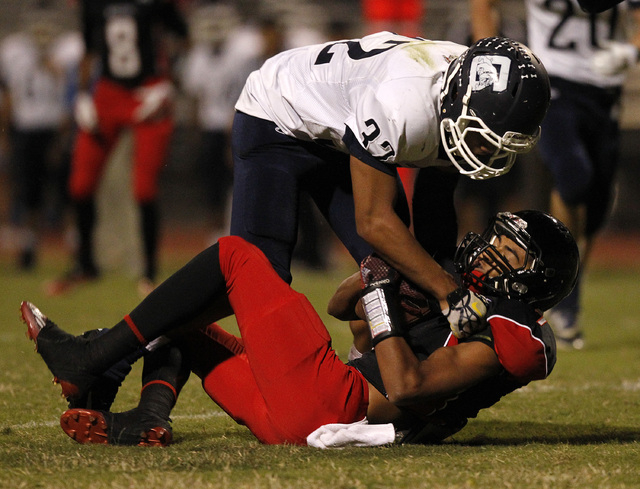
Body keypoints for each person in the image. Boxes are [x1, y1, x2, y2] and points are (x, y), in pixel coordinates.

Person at [21, 210, 579, 447]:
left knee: (237, 253)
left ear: (534, 281)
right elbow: (342, 309)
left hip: (335, 400)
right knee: (181, 321)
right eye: (497, 238)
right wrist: (376, 276)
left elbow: (406, 388)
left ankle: (91, 360)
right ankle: (146, 419)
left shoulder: (510, 334)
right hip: (300, 409)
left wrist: (384, 296)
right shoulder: (458, 294)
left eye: (508, 251)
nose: (489, 250)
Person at [230, 32, 551, 337]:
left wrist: (444, 276)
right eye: (483, 137)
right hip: (276, 113)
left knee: (403, 272)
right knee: (259, 275)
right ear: (457, 99)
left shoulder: (463, 96)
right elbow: (373, 222)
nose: (489, 151)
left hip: (341, 130)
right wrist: (449, 292)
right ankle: (183, 332)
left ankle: (368, 363)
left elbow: (434, 203)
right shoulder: (404, 105)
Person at [470, 0, 640, 349]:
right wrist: (488, 63)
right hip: (552, 81)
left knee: (595, 208)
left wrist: (630, 53)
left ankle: (568, 294)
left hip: (604, 91)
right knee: (574, 176)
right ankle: (562, 302)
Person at [46, 0, 189, 296]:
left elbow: (184, 39)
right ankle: (85, 265)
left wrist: (169, 83)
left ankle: (149, 272)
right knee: (80, 185)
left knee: (144, 189)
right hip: (108, 94)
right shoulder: (92, 6)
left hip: (149, 90)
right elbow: (90, 51)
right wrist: (84, 95)